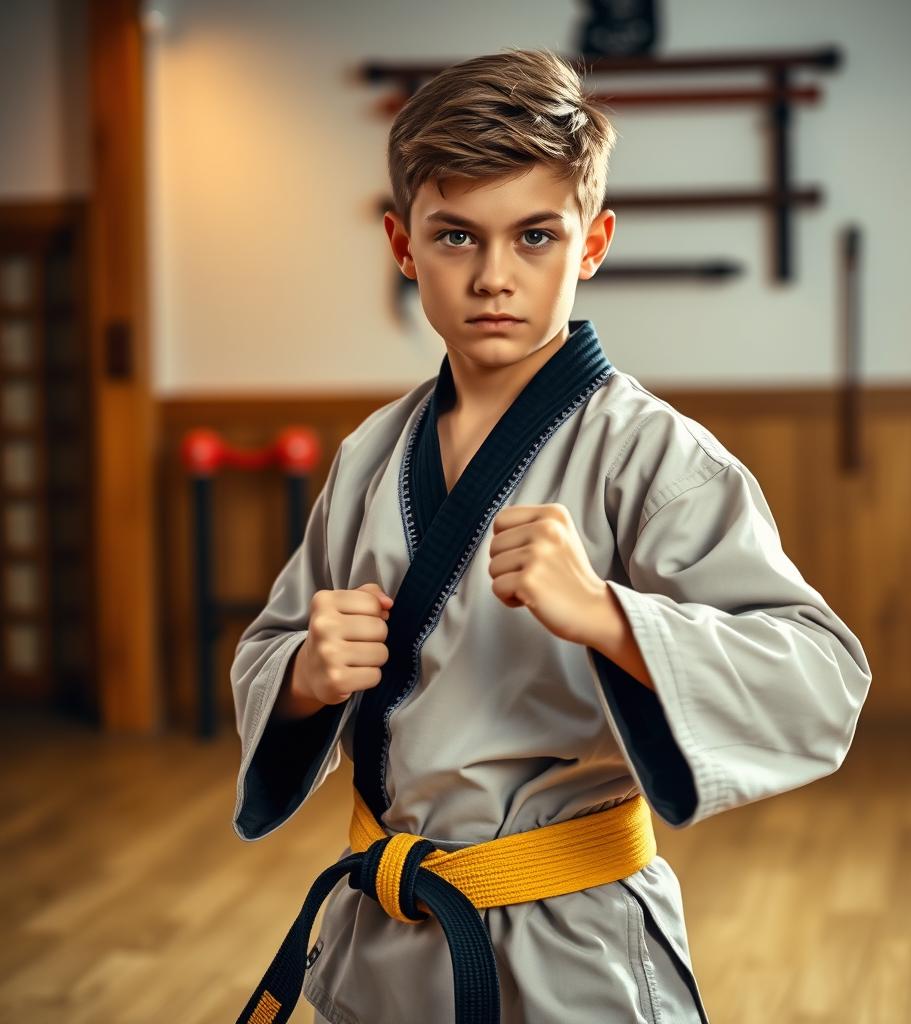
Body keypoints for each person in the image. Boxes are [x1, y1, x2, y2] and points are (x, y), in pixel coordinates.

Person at [230, 47, 872, 1024]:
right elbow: (270, 648)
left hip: (575, 949)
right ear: (404, 246)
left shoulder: (653, 458)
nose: (493, 277)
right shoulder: (370, 453)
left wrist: (613, 617)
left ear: (593, 241)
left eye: (534, 235)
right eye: (456, 237)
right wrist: (306, 676)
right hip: (385, 944)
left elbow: (821, 678)